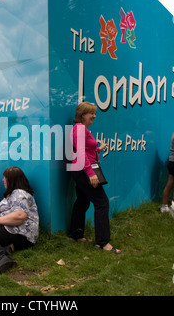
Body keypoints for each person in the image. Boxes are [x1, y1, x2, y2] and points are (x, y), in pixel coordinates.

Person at [68, 102, 121, 254]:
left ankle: (75, 235)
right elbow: (81, 153)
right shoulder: (79, 129)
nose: (95, 116)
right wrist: (90, 173)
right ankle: (103, 243)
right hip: (85, 170)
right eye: (92, 113)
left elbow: (86, 150)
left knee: (82, 201)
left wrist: (98, 149)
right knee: (102, 203)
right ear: (83, 114)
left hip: (82, 169)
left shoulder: (81, 129)